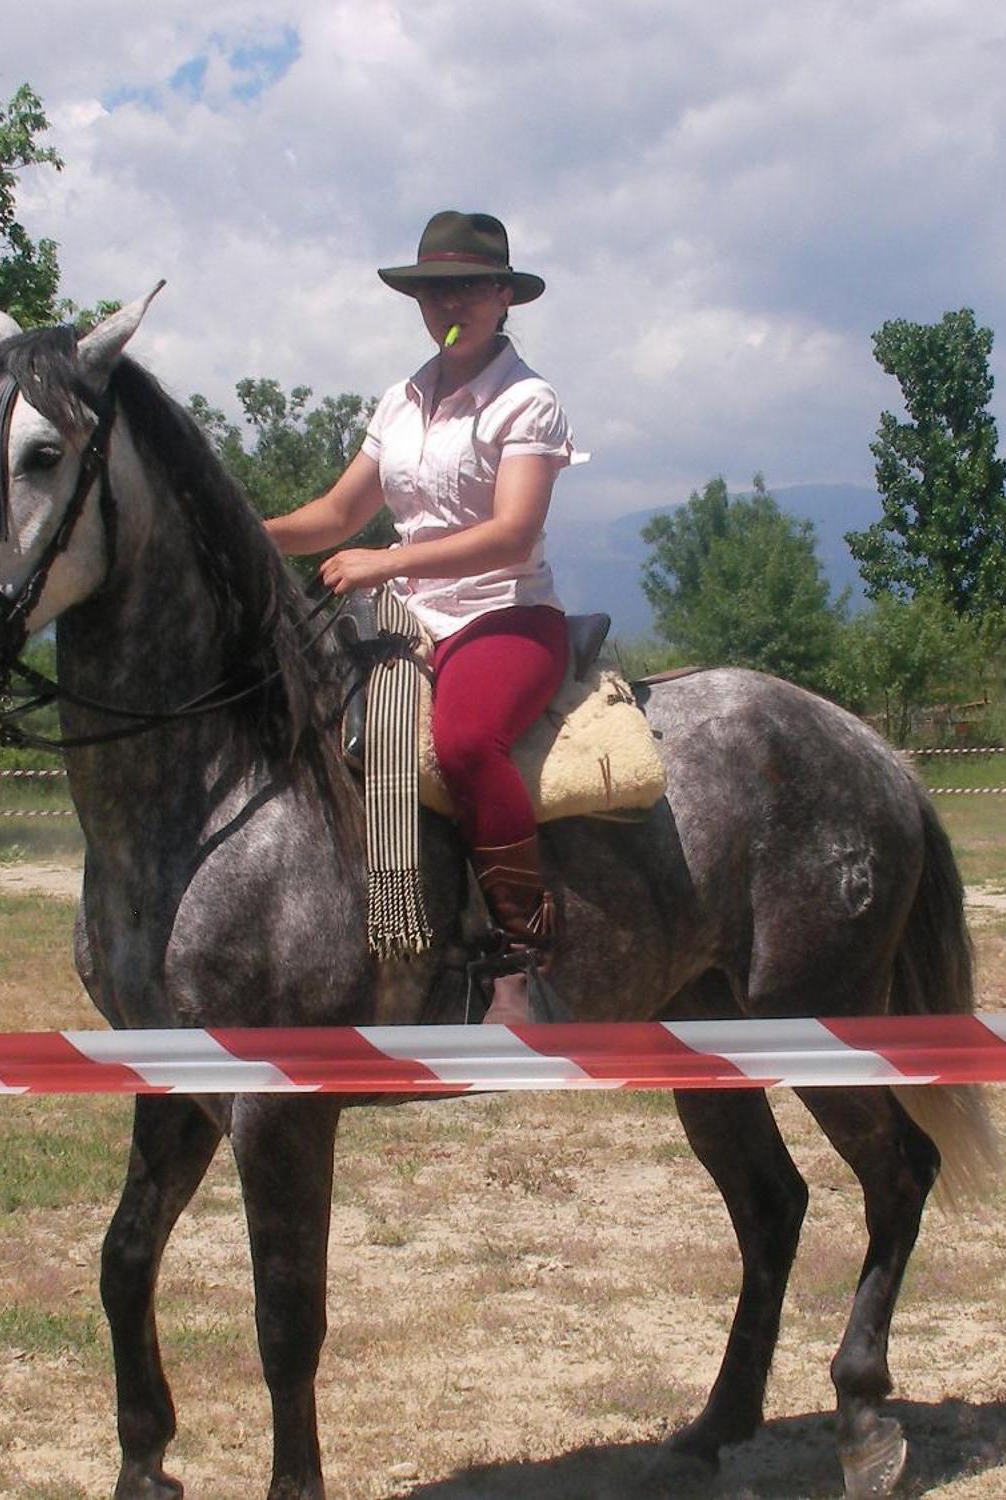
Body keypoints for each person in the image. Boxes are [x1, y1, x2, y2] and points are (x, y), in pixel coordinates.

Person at [265, 211, 577, 1024]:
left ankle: (522, 952)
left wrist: (387, 560)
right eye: (434, 287)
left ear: (505, 294)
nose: (450, 301)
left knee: (469, 742)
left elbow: (513, 535)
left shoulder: (528, 401)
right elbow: (336, 513)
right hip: (408, 617)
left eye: (470, 285)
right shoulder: (401, 400)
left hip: (504, 613)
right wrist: (239, 534)